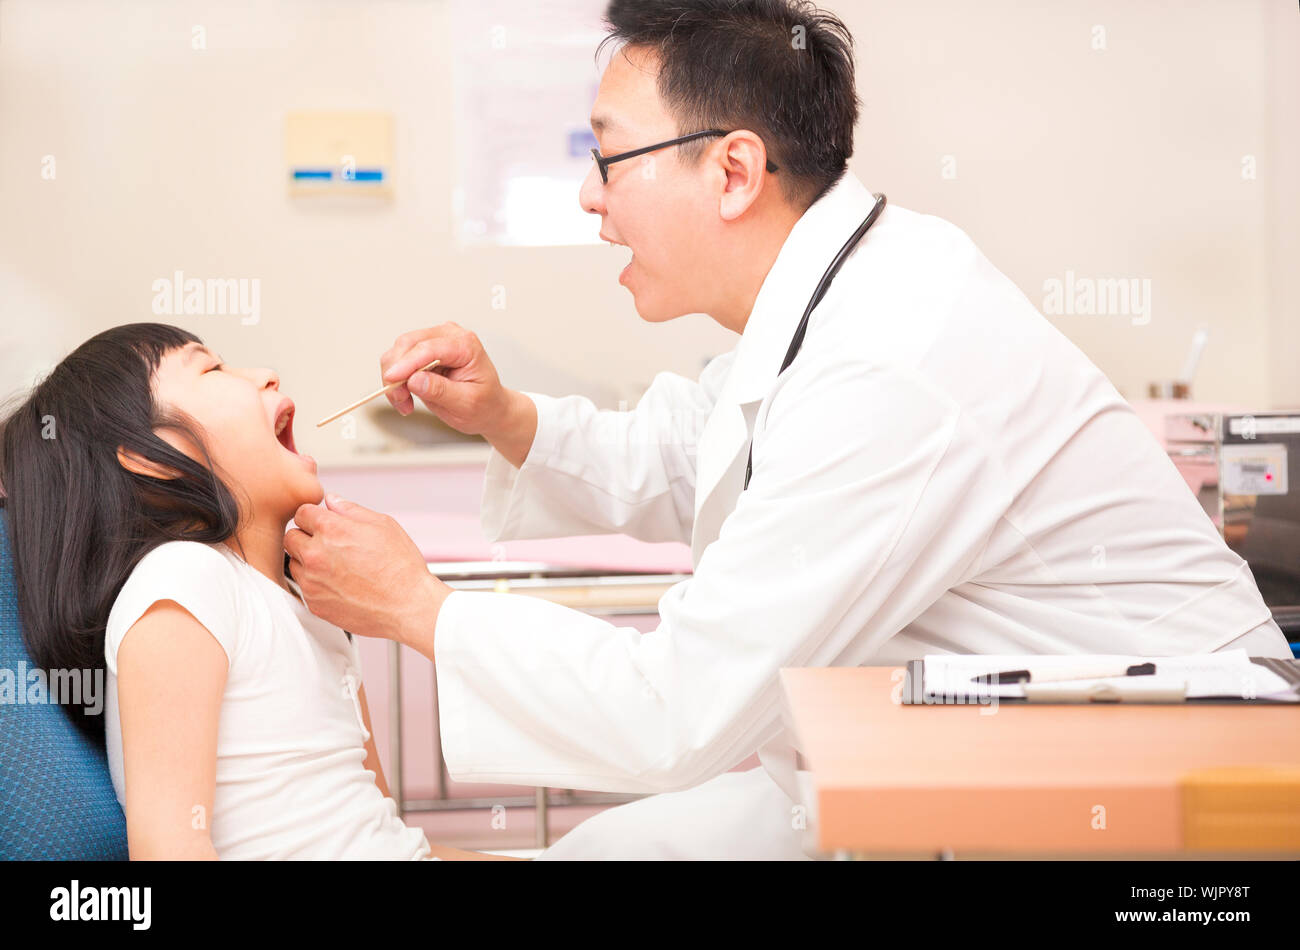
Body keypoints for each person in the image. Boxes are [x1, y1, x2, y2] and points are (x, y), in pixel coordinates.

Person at [285, 0, 1292, 859]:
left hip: (1160, 786)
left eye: (605, 156)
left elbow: (674, 708)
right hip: (966, 745)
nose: (591, 197)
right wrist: (503, 416)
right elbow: (687, 448)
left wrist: (420, 606)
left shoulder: (892, 355)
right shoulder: (832, 300)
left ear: (731, 172)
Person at [0, 323, 508, 860]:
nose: (266, 375)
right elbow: (169, 848)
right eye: (212, 368)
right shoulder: (185, 579)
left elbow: (388, 837)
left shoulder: (315, 606)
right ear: (148, 455)